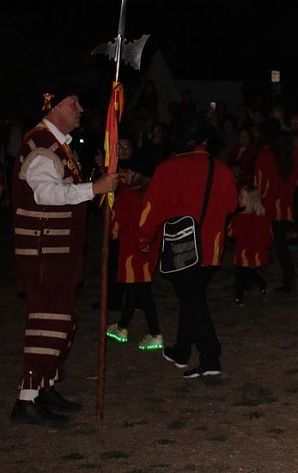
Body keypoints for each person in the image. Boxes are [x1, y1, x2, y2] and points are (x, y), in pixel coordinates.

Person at [11, 88, 119, 426]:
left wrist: (95, 179)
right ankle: (27, 398)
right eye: (73, 104)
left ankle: (45, 386)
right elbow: (45, 194)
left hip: (59, 253)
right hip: (46, 253)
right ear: (53, 107)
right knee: (48, 323)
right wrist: (94, 189)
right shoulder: (42, 146)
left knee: (64, 321)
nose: (80, 109)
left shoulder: (59, 145)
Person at [138, 115, 238, 379]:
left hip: (182, 246)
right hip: (212, 247)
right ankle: (181, 351)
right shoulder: (223, 169)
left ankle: (211, 355)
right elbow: (231, 206)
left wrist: (143, 236)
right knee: (191, 297)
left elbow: (152, 208)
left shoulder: (169, 168)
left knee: (192, 299)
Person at [105, 164, 163, 350]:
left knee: (142, 290)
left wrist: (111, 225)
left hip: (133, 250)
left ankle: (155, 333)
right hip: (149, 249)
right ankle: (122, 327)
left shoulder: (128, 196)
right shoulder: (154, 195)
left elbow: (115, 229)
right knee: (135, 289)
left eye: (128, 171)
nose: (124, 174)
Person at [254, 121, 298, 292]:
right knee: (280, 245)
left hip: (268, 206)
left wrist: (257, 203)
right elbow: (294, 181)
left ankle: (255, 276)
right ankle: (288, 279)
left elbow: (259, 182)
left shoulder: (265, 155)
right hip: (284, 206)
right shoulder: (285, 154)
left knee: (261, 241)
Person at [227, 185, 272, 307]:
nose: (239, 199)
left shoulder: (238, 219)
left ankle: (238, 299)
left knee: (241, 276)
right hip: (255, 253)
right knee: (249, 273)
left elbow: (230, 233)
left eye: (241, 197)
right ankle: (262, 287)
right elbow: (268, 236)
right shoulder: (261, 217)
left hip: (244, 253)